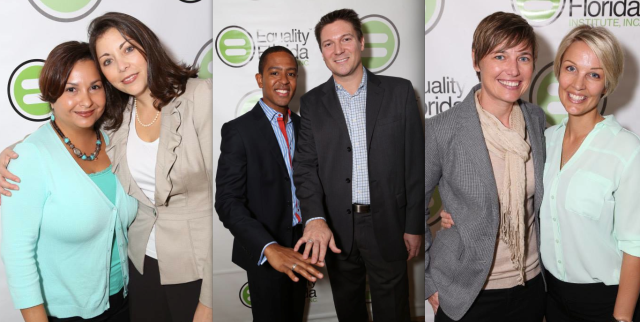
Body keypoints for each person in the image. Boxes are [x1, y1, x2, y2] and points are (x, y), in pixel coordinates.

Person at [0, 12, 213, 321]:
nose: (122, 65)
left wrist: (207, 303)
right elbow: (17, 252)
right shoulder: (113, 123)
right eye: (108, 60)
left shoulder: (124, 125)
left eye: (128, 49)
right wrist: (17, 150)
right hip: (128, 279)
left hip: (168, 278)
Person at [292, 8, 424, 322]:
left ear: (361, 42)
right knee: (348, 311)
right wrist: (315, 218)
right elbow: (305, 167)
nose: (338, 49)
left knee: (394, 311)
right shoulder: (310, 104)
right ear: (322, 52)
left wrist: (414, 225)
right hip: (336, 230)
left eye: (345, 39)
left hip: (389, 223)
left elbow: (416, 163)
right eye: (328, 44)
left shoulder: (400, 92)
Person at [1, 41, 138, 321]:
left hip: (126, 299)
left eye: (95, 87)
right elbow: (17, 253)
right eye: (71, 89)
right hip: (65, 313)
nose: (85, 101)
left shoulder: (119, 142)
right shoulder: (29, 157)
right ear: (52, 93)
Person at [424, 12, 546, 321]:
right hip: (467, 294)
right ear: (477, 60)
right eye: (500, 55)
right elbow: (410, 207)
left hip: (531, 286)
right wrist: (429, 283)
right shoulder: (442, 129)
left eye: (524, 57)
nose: (513, 70)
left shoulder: (537, 121)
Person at [539, 25, 640, 322]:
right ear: (558, 71)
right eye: (571, 68)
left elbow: (635, 246)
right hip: (550, 298)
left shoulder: (626, 149)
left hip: (605, 301)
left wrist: (621, 318)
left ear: (607, 84)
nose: (578, 84)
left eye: (594, 74)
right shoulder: (545, 140)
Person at [215, 46, 323, 322]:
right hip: (266, 245)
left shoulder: (305, 127)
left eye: (291, 73)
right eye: (274, 73)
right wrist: (268, 247)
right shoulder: (238, 131)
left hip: (303, 243)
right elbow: (227, 202)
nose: (284, 81)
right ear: (259, 79)